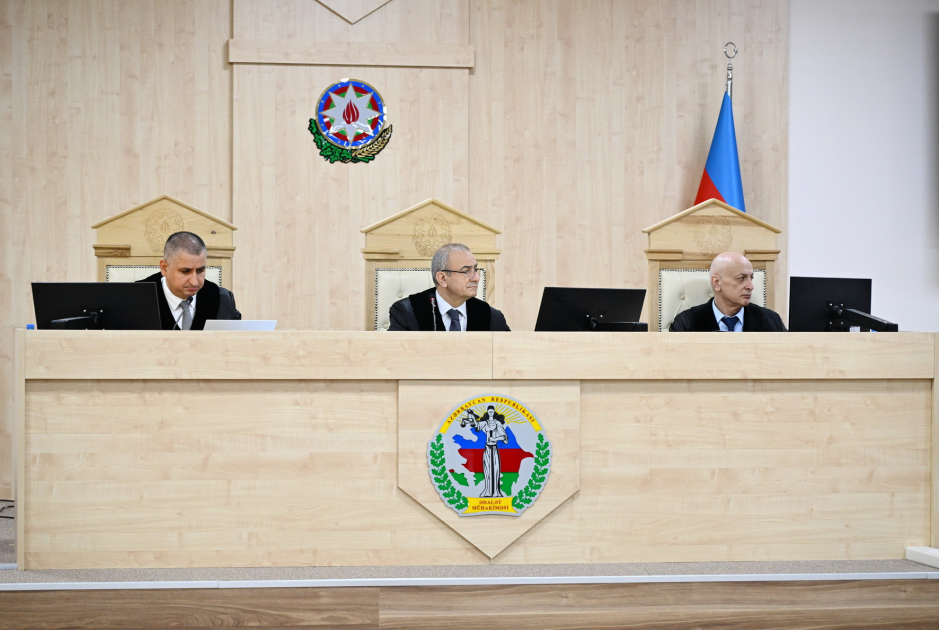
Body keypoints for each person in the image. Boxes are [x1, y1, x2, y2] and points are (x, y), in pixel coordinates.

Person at [387, 243, 510, 331]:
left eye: (475, 270)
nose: (476, 278)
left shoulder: (492, 317)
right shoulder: (407, 312)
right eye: (466, 271)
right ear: (443, 278)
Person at [138, 231, 241, 330]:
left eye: (200, 271)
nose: (194, 282)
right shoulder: (135, 298)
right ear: (165, 268)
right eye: (185, 271)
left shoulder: (222, 299)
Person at [669, 251, 786, 332]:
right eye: (741, 278)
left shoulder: (771, 321)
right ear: (716, 283)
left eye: (751, 278)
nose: (750, 286)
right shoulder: (687, 323)